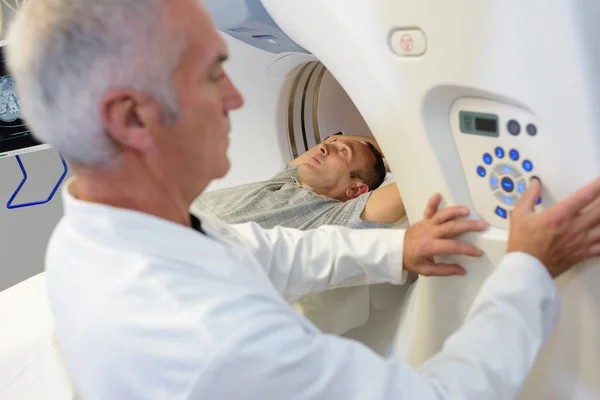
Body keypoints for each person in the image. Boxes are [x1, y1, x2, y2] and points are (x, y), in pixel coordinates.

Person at [7, 1, 600, 400]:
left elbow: (264, 249)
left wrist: (396, 251)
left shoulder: (94, 233)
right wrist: (528, 269)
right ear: (133, 117)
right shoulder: (216, 343)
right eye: (213, 74)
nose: (236, 96)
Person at [192, 132, 407, 230]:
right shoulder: (289, 179)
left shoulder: (330, 216)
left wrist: (384, 160)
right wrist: (342, 144)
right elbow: (330, 140)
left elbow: (411, 185)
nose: (325, 147)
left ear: (355, 190)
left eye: (343, 152)